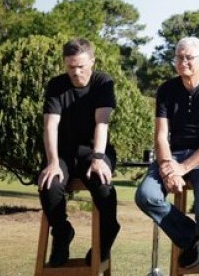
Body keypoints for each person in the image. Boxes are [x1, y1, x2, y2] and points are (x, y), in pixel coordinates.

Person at [135, 37, 199, 276]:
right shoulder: (166, 90)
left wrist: (183, 168)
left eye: (189, 57)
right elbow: (160, 136)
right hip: (173, 155)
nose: (183, 61)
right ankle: (191, 236)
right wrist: (168, 166)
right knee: (146, 196)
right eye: (179, 57)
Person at [37, 38, 121, 267]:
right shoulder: (56, 85)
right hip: (64, 153)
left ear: (92, 62)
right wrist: (53, 162)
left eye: (81, 66)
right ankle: (62, 233)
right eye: (71, 67)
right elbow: (50, 126)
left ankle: (107, 233)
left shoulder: (103, 82)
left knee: (102, 183)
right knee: (49, 184)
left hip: (95, 150)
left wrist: (98, 158)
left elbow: (101, 123)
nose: (76, 72)